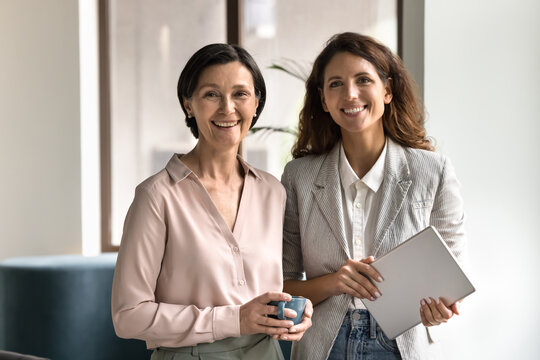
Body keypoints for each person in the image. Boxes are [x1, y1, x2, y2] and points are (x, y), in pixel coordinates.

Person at [111, 43, 312, 360]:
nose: (227, 108)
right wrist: (234, 319)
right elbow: (128, 316)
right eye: (211, 94)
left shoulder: (273, 191)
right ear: (188, 104)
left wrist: (295, 313)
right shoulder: (156, 196)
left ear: (256, 104)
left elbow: (277, 284)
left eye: (240, 94)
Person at [281, 32, 466, 360]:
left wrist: (442, 310)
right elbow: (284, 284)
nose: (350, 94)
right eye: (335, 84)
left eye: (363, 79)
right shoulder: (299, 177)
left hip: (400, 345)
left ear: (387, 90)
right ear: (323, 100)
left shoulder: (432, 171)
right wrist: (337, 282)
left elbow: (452, 282)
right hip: (323, 344)